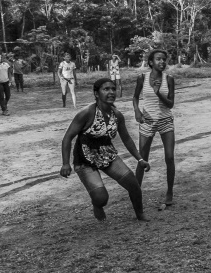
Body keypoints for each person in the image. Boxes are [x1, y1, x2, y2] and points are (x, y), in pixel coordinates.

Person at [60, 78, 150, 222]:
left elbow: (126, 138)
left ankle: (140, 214)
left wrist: (140, 159)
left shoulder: (117, 115)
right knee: (101, 198)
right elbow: (67, 138)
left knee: (133, 184)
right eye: (106, 89)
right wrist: (65, 163)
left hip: (107, 154)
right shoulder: (87, 113)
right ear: (96, 93)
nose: (111, 92)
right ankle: (97, 204)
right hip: (85, 158)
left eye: (113, 89)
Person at [133, 49, 176, 205]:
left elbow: (170, 104)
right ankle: (136, 192)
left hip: (165, 120)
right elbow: (135, 97)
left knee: (169, 157)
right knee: (142, 158)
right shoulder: (142, 78)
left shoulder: (169, 79)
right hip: (147, 121)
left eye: (164, 59)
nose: (162, 62)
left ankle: (169, 192)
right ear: (151, 62)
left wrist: (159, 93)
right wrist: (137, 111)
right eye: (158, 59)